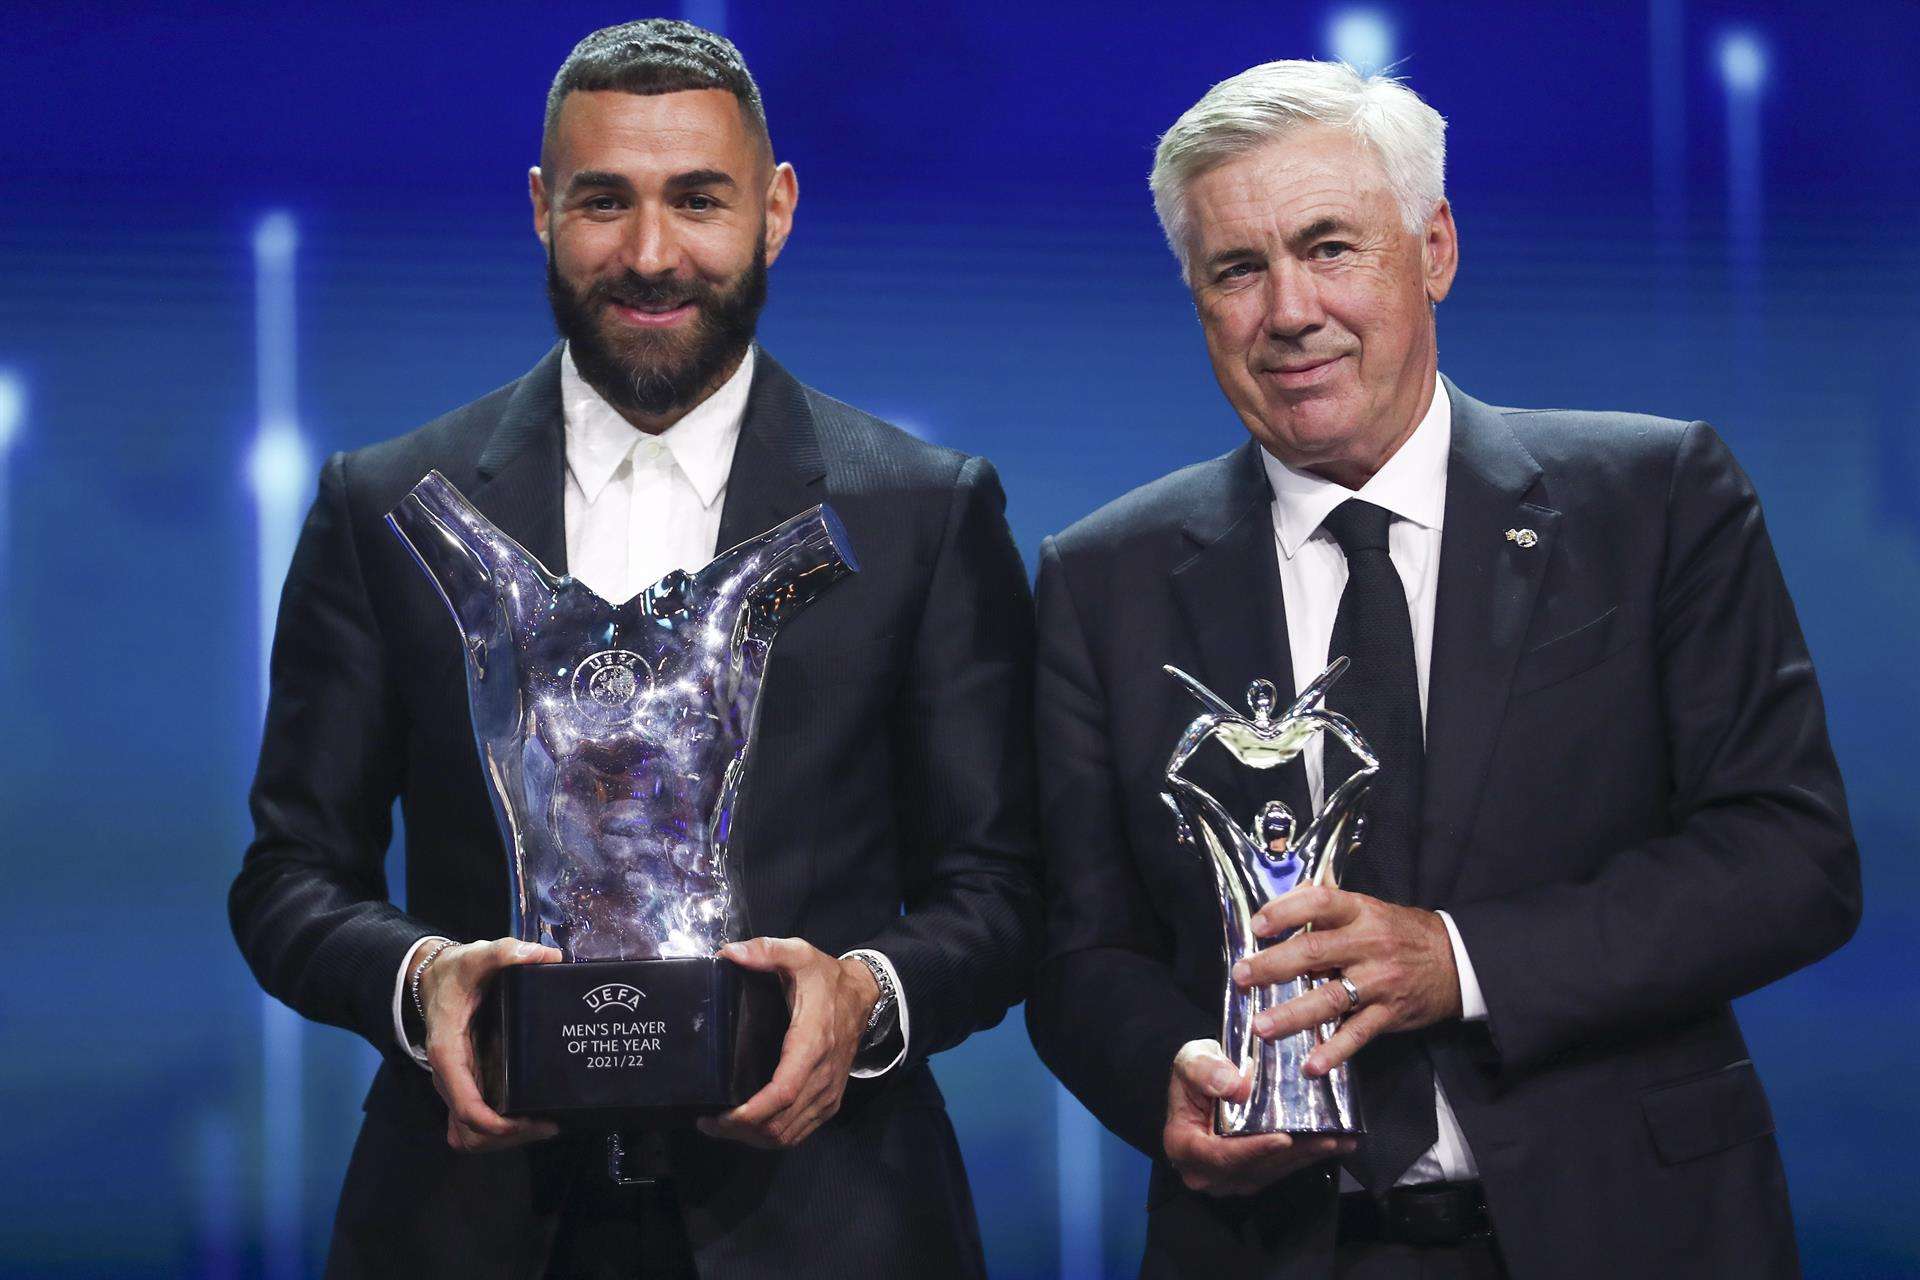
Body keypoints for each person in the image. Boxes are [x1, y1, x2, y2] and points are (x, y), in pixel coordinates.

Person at [1024, 59, 1858, 1279]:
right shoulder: (1106, 576)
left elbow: (1792, 857)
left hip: (1633, 1229)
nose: (1290, 309)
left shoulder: (1654, 496)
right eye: (1238, 269)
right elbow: (1078, 948)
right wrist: (1169, 1070)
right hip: (1273, 1246)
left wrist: (1458, 961)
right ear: (1197, 297)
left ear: (1436, 249)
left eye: (1330, 247)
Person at [229, 20, 1037, 1279]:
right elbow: (287, 877)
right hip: (465, 1219)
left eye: (698, 199)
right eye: (605, 201)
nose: (652, 253)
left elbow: (1002, 883)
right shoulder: (384, 505)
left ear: (775, 211)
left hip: (833, 1224)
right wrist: (419, 981)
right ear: (543, 209)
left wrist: (864, 998)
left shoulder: (924, 511)